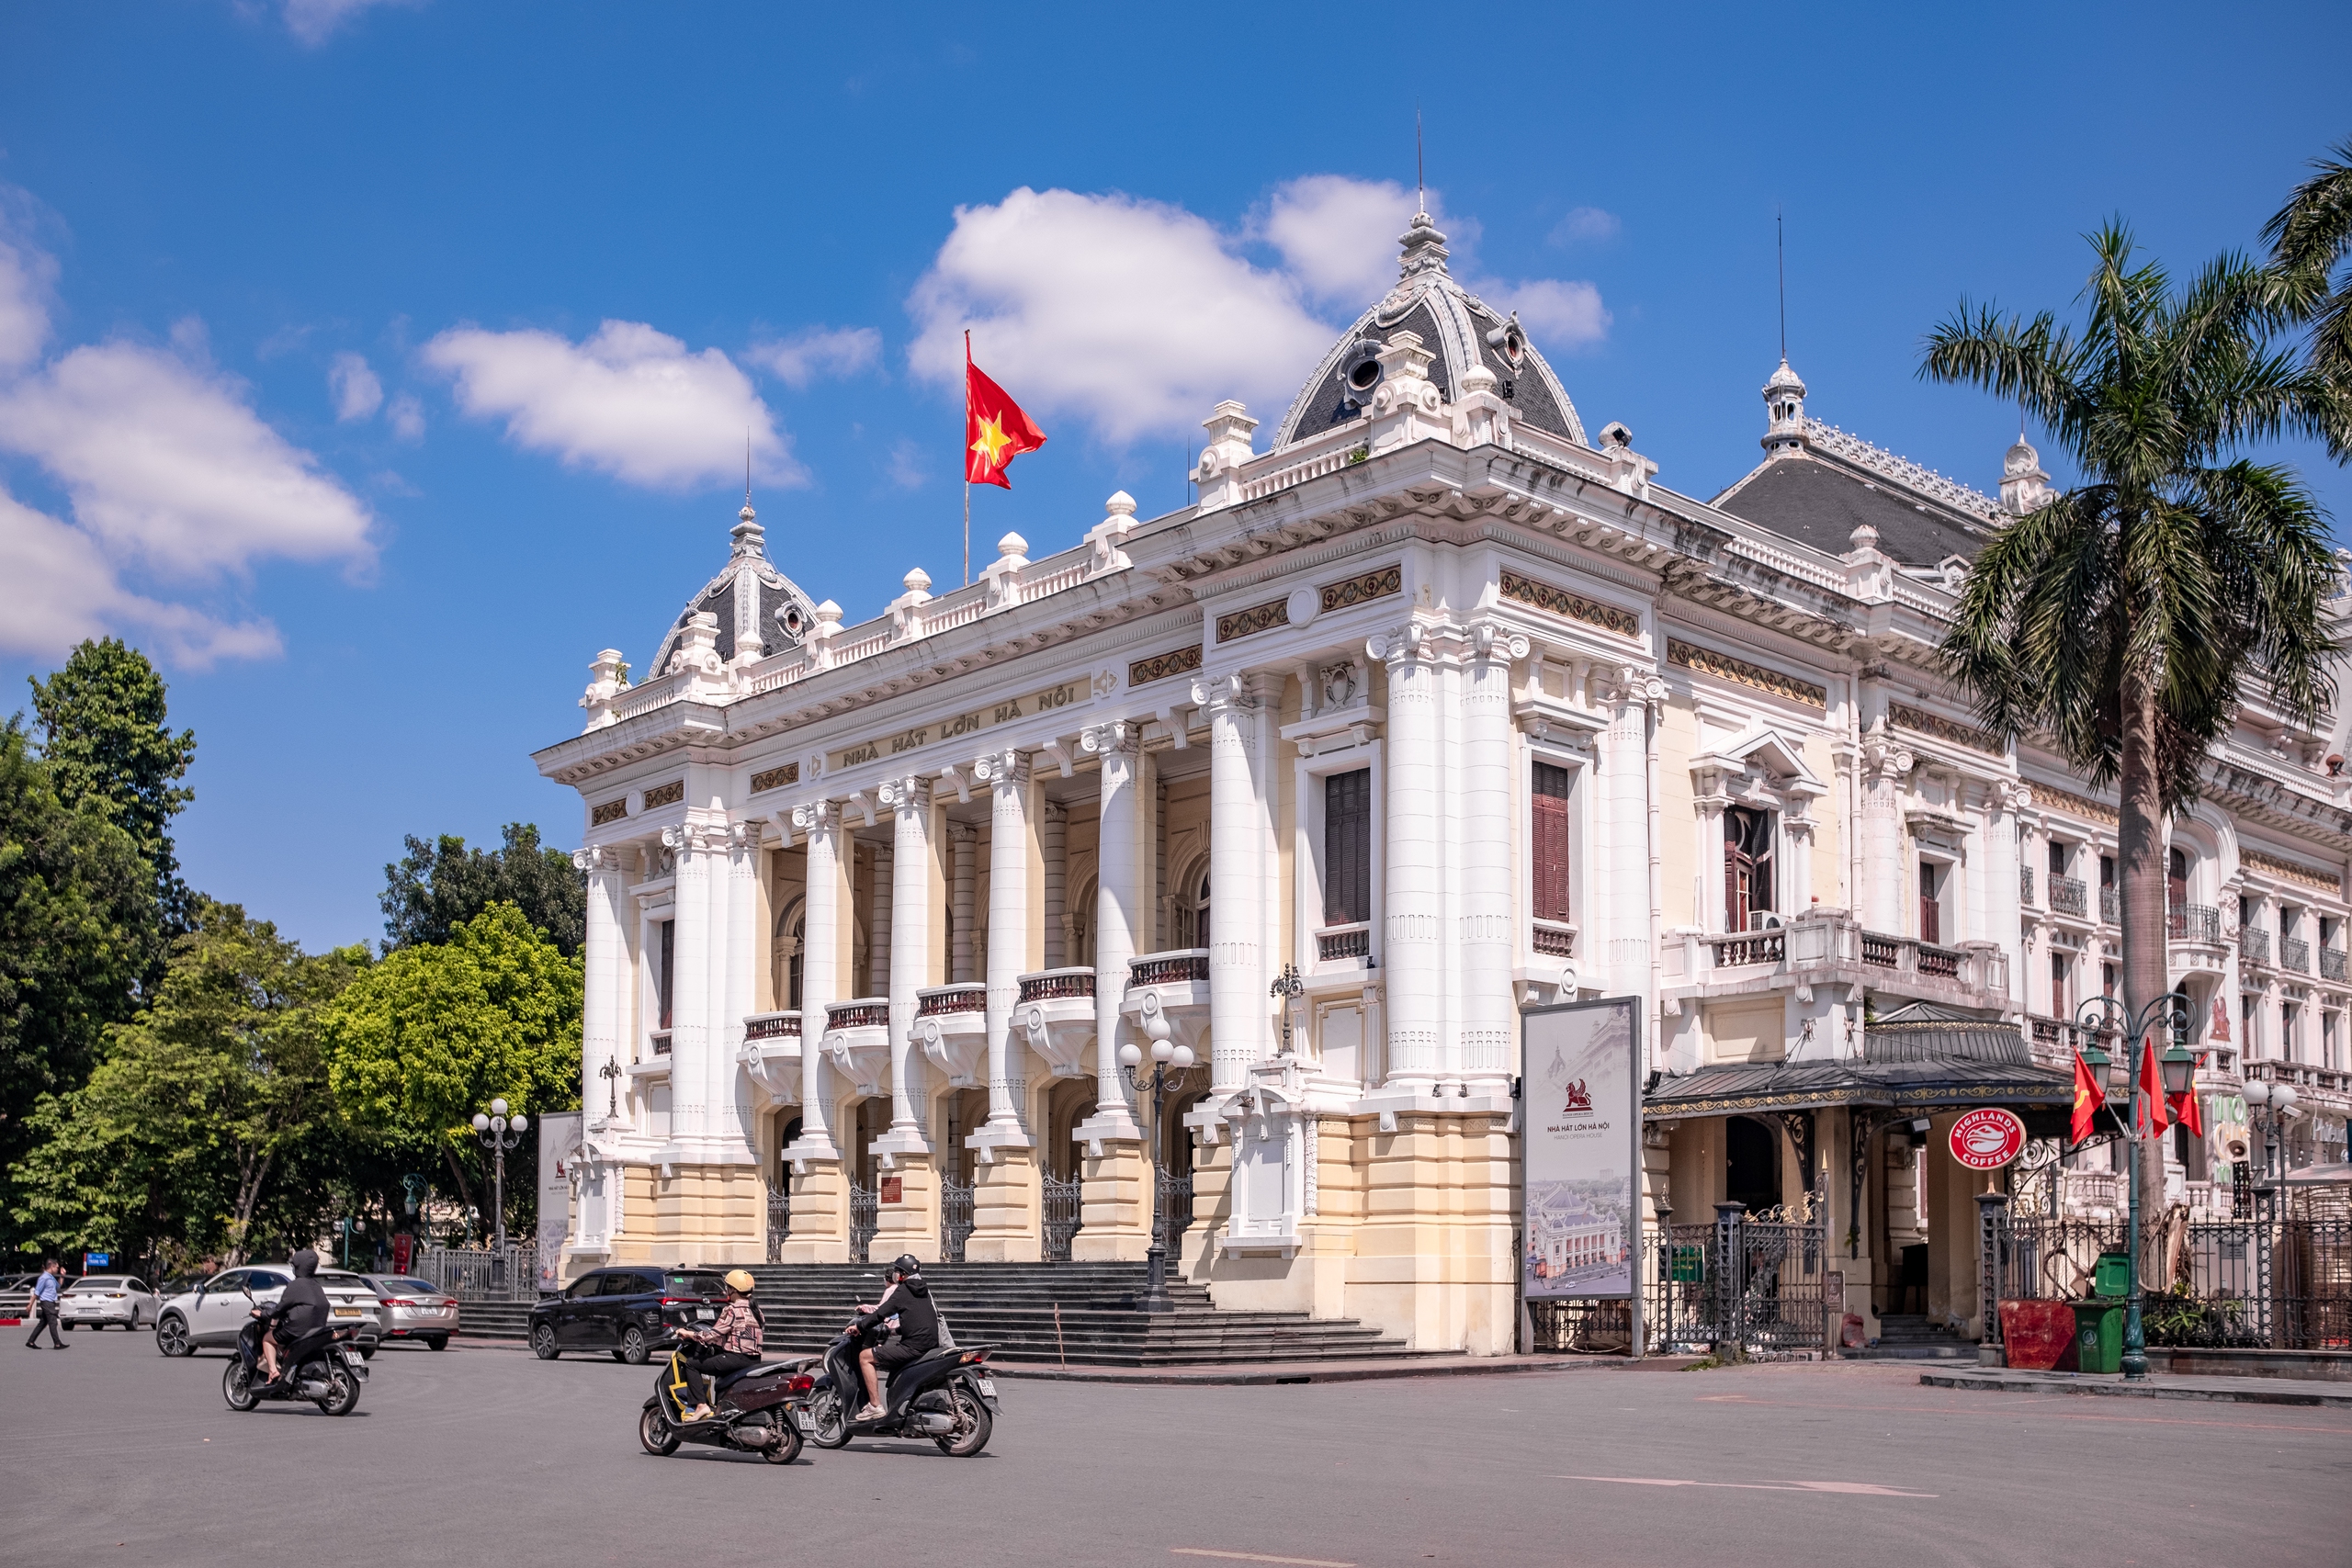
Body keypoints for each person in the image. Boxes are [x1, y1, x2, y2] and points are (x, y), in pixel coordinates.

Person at [851, 1254, 937, 1421]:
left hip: (913, 1347)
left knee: (865, 1357)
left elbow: (881, 1313)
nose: (895, 1274)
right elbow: (916, 1319)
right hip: (930, 1344)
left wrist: (859, 1326)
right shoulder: (924, 1291)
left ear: (902, 1274)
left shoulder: (903, 1290)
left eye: (897, 1270)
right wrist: (894, 1332)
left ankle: (875, 1406)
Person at [676, 1269, 763, 1422]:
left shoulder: (732, 1310)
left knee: (692, 1364)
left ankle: (700, 1405)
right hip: (755, 1360)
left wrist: (689, 1334)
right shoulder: (757, 1311)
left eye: (727, 1287)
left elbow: (712, 1335)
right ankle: (720, 1408)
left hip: (736, 1359)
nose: (725, 1290)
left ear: (734, 1290)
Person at [256, 1248, 332, 1387]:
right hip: (317, 1330)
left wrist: (262, 1314)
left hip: (297, 1330)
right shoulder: (316, 1285)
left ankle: (273, 1371)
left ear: (298, 1266)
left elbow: (279, 1309)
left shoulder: (295, 1285)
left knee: (267, 1338)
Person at [22, 1259, 65, 1349]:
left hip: (51, 1302)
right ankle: (57, 1343)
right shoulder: (44, 1278)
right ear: (51, 1267)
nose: (57, 1269)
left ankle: (31, 1341)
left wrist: (62, 1276)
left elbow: (58, 1286)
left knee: (43, 1323)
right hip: (46, 1302)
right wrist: (30, 1304)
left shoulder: (51, 1277)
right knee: (53, 1321)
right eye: (57, 1267)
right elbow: (37, 1292)